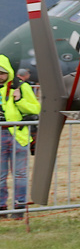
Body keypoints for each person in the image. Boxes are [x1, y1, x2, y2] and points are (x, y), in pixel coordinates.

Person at [0, 55, 40, 217]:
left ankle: (19, 208)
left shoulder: (21, 87)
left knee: (20, 174)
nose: (0, 75)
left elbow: (35, 108)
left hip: (18, 135)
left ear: (8, 72)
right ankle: (1, 207)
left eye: (2, 72)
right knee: (1, 175)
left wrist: (20, 100)